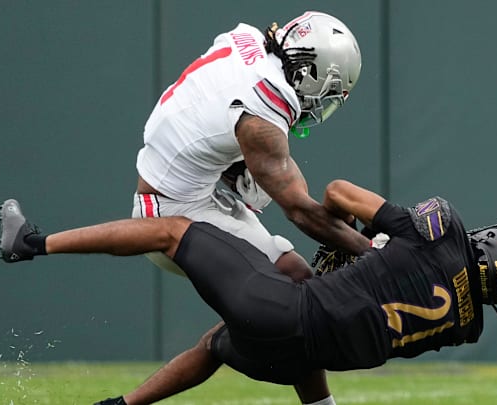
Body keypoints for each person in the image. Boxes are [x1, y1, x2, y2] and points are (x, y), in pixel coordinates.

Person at [0, 179, 497, 405]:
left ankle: (31, 243)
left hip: (286, 314)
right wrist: (375, 262)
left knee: (175, 230)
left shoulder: (441, 230)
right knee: (220, 344)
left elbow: (337, 191)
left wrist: (348, 237)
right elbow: (375, 300)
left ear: (492, 245)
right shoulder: (465, 326)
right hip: (290, 357)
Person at [128, 10, 367, 404]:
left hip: (192, 191)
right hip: (174, 213)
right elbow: (299, 209)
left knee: (289, 292)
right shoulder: (263, 109)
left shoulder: (246, 42)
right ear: (309, 71)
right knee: (296, 290)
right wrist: (374, 251)